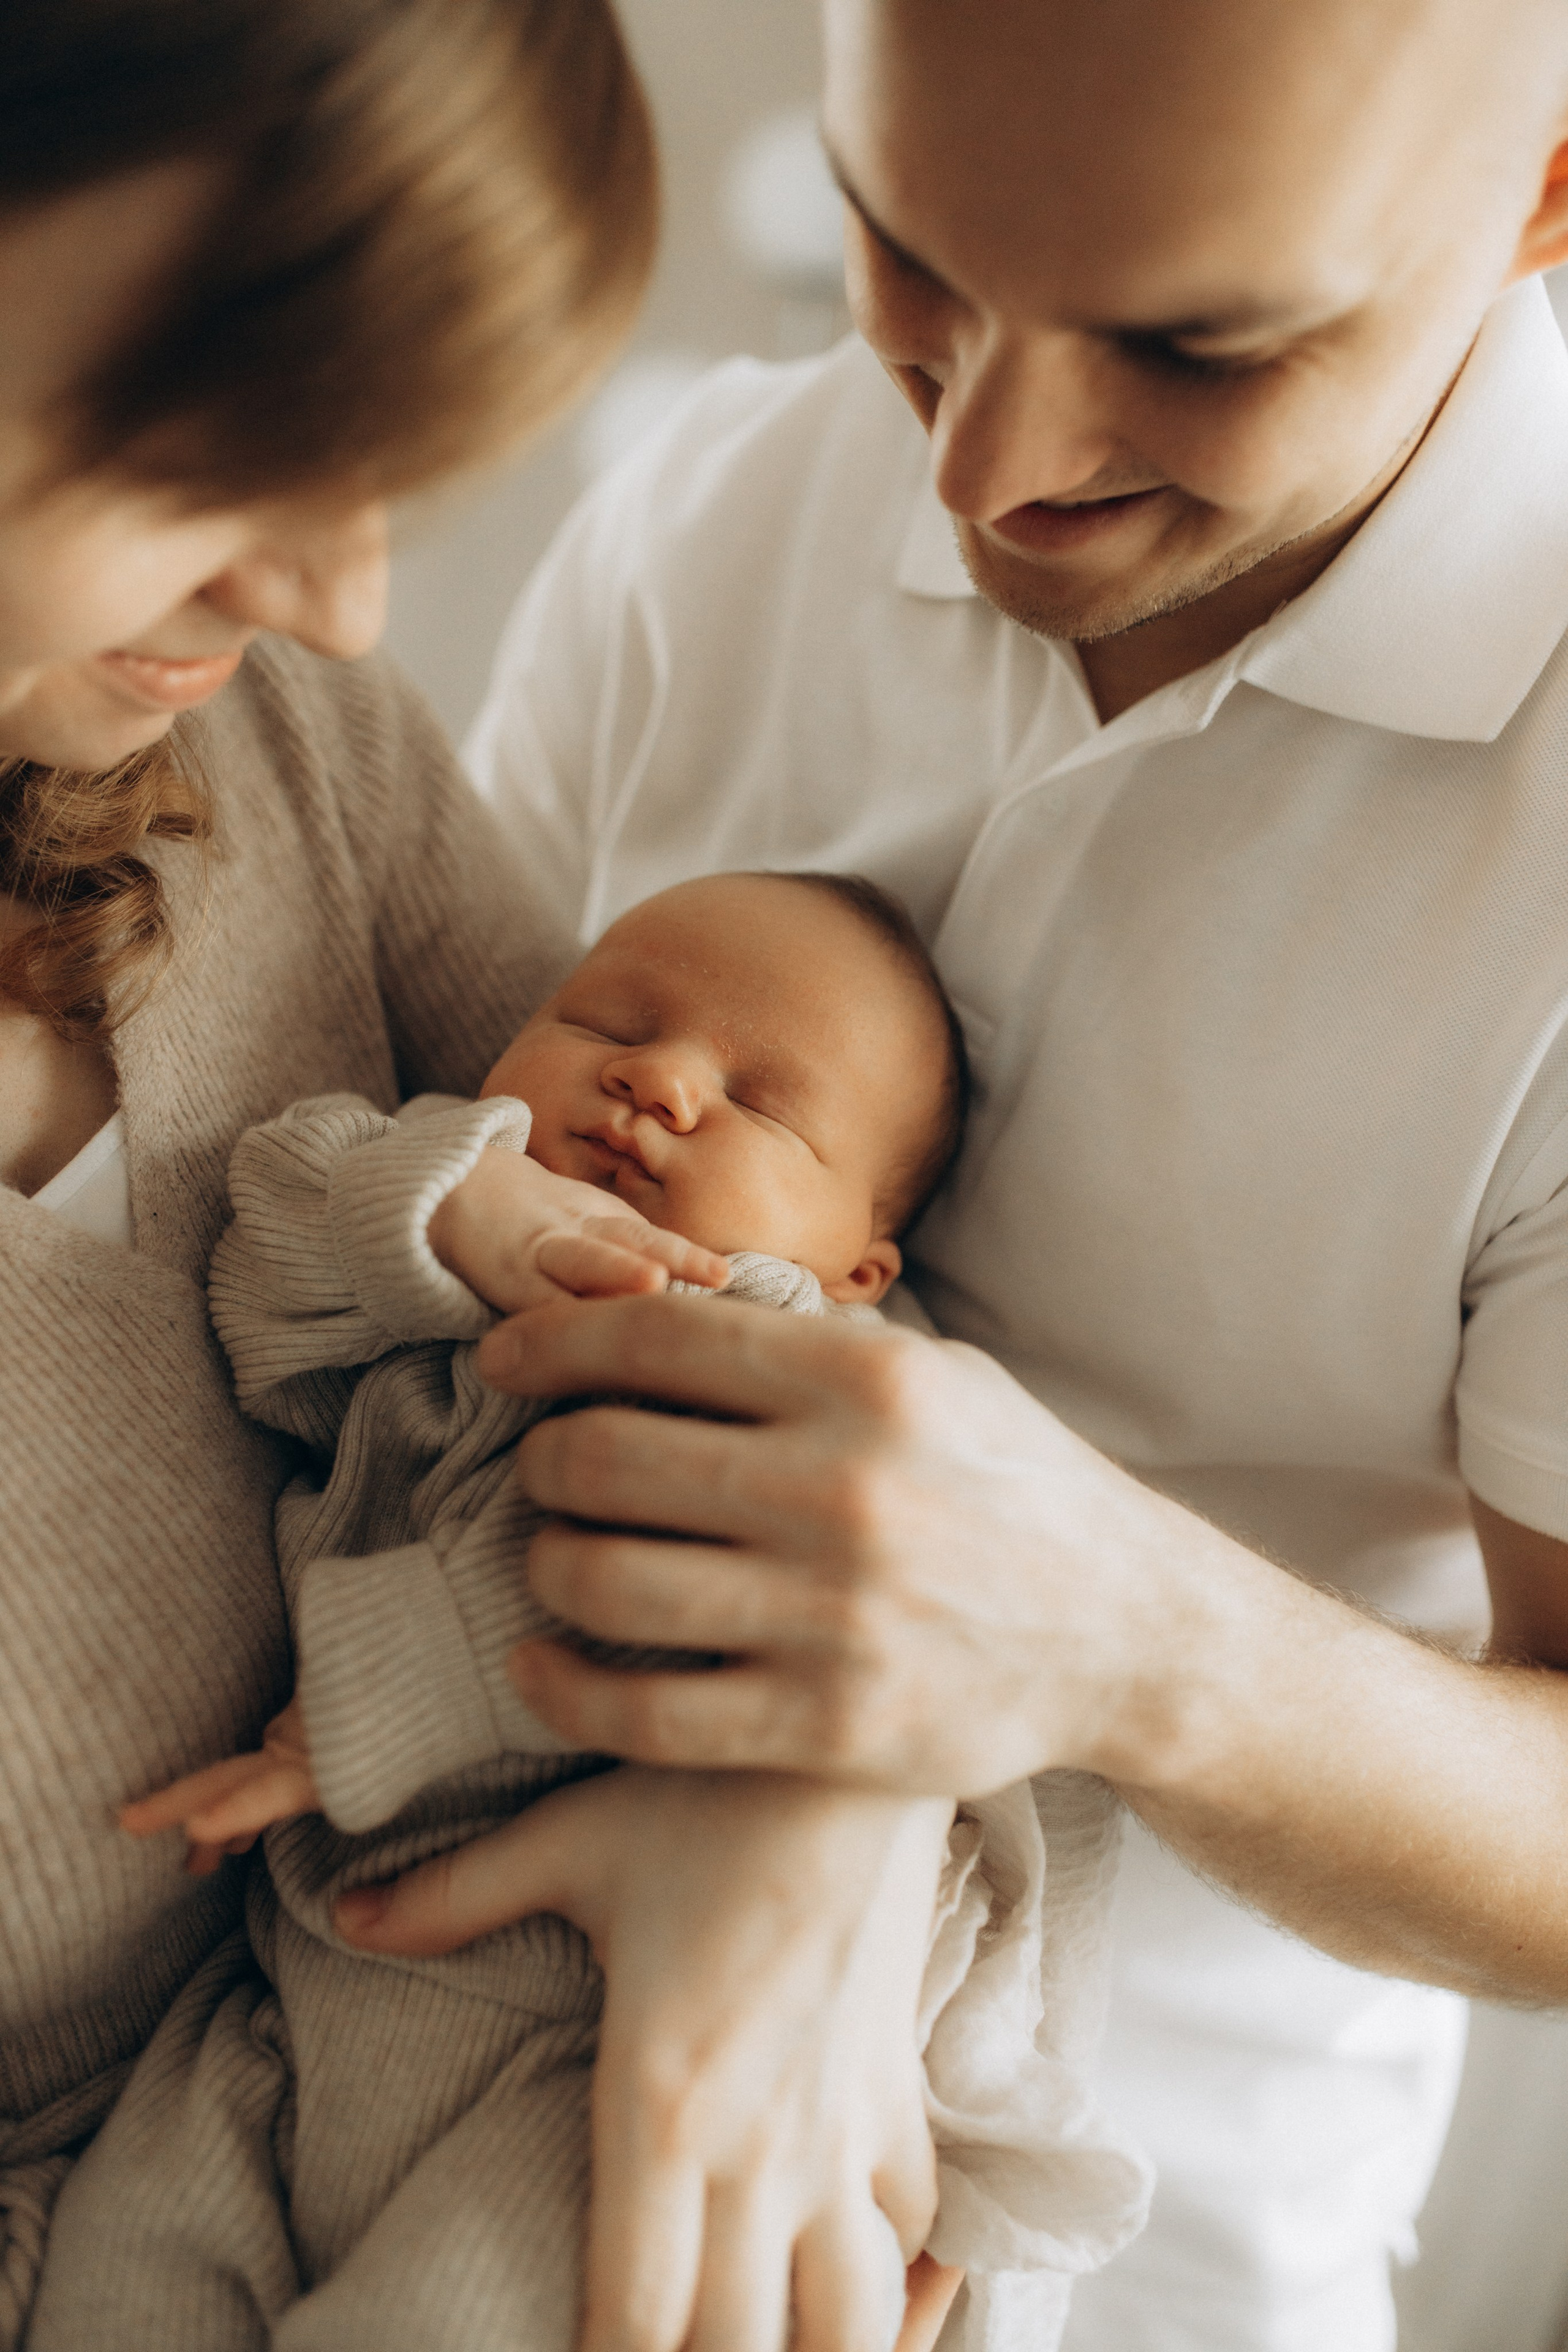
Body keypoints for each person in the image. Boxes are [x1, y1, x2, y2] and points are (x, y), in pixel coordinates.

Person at [329, 1, 1568, 2346]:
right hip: (378, 2046)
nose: (988, 460)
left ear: (1544, 196)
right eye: (909, 252)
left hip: (1120, 2251)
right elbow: (379, 1272)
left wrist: (1114, 1638)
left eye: (1201, 343)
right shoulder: (715, 507)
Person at [0, 10, 986, 2352]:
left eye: (389, 473)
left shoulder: (285, 759)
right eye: (235, 437)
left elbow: (789, 1323)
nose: (341, 604)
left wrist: (811, 1801)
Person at [31, 869, 1145, 2350]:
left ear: (856, 1265)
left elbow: (667, 1581)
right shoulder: (439, 1306)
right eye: (604, 1017)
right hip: (290, 2004)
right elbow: (259, 1269)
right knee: (119, 2288)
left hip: (598, 2052)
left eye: (763, 1104)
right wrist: (451, 1202)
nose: (659, 1078)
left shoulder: (789, 1361)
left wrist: (366, 1696)